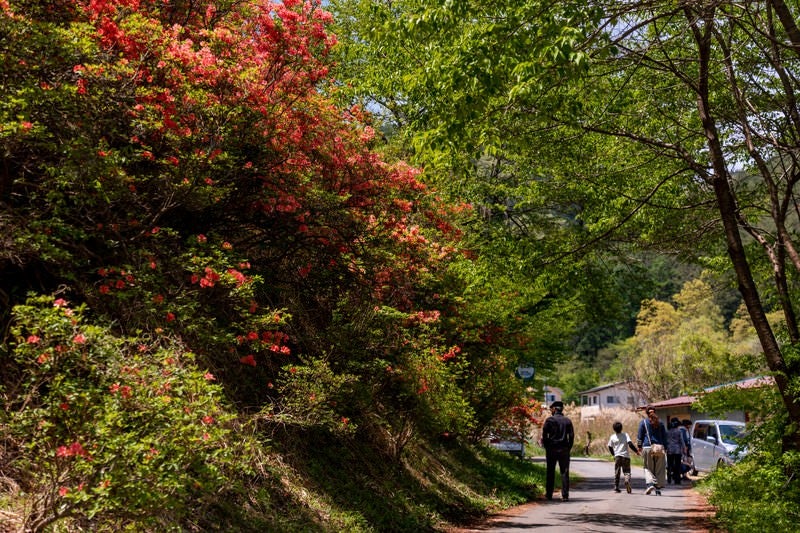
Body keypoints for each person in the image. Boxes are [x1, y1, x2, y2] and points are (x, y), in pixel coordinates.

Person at [542, 401, 575, 501]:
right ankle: (565, 495)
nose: (551, 410)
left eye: (551, 409)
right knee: (564, 472)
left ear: (554, 409)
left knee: (550, 471)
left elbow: (544, 435)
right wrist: (568, 447)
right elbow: (572, 436)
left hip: (551, 449)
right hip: (564, 449)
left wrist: (547, 446)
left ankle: (549, 494)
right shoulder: (567, 421)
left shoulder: (549, 420)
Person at [637, 406, 668, 495]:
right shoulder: (661, 423)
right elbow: (664, 437)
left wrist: (639, 447)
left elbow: (640, 436)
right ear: (655, 412)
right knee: (659, 469)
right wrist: (665, 448)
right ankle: (657, 489)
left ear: (647, 413)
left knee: (648, 467)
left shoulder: (643, 422)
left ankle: (650, 484)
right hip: (659, 448)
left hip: (647, 448)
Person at [607, 421, 640, 493]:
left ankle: (616, 487)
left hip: (617, 456)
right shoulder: (625, 435)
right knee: (627, 471)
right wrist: (636, 451)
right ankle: (627, 479)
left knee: (617, 472)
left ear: (614, 429)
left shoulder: (612, 437)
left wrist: (613, 454)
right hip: (626, 457)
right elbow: (630, 444)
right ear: (621, 428)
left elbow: (609, 446)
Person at [666, 417, 688, 484]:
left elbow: (666, 440)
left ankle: (669, 477)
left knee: (670, 464)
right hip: (677, 450)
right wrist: (684, 448)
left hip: (669, 450)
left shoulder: (668, 432)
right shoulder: (679, 431)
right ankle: (677, 479)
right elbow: (682, 440)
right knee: (677, 465)